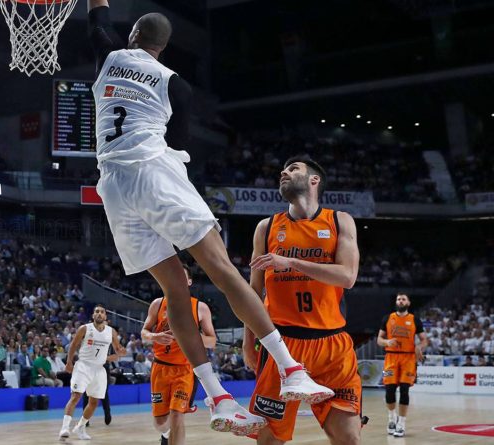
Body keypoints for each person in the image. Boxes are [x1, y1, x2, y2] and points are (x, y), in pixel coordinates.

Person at [87, 0, 331, 435]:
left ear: (132, 38)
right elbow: (178, 140)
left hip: (113, 188)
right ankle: (291, 367)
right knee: (222, 270)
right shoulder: (175, 83)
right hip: (151, 172)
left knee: (174, 290)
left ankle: (218, 396)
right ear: (162, 47)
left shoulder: (107, 57)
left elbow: (98, 17)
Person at [243, 156, 362, 445]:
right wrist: (248, 341)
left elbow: (347, 276)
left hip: (332, 345)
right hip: (281, 345)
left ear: (314, 179)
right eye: (283, 169)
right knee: (269, 438)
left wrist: (291, 263)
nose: (283, 172)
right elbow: (252, 294)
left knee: (348, 438)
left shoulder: (339, 220)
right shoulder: (266, 227)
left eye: (293, 168)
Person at [141, 265, 216, 445]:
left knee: (177, 416)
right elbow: (144, 333)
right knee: (160, 423)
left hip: (185, 370)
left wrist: (190, 335)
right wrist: (154, 336)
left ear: (189, 281)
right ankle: (166, 435)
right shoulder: (158, 304)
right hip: (160, 368)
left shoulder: (200, 307)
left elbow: (212, 341)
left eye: (182, 277)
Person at [58, 305, 126, 440]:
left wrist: (121, 353)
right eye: (97, 312)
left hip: (99, 368)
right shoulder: (84, 328)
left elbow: (118, 351)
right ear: (93, 315)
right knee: (75, 396)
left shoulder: (111, 332)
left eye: (102, 312)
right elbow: (73, 345)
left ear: (106, 316)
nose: (99, 314)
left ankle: (80, 427)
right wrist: (69, 362)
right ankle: (65, 428)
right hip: (83, 366)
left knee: (94, 402)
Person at [376, 293, 427, 438]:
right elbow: (379, 339)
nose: (400, 301)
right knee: (389, 390)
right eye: (398, 299)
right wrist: (386, 342)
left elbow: (424, 340)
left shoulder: (415, 320)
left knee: (405, 390)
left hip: (408, 358)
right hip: (390, 358)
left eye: (403, 299)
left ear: (408, 302)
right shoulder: (387, 318)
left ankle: (402, 424)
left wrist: (419, 347)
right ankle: (391, 418)